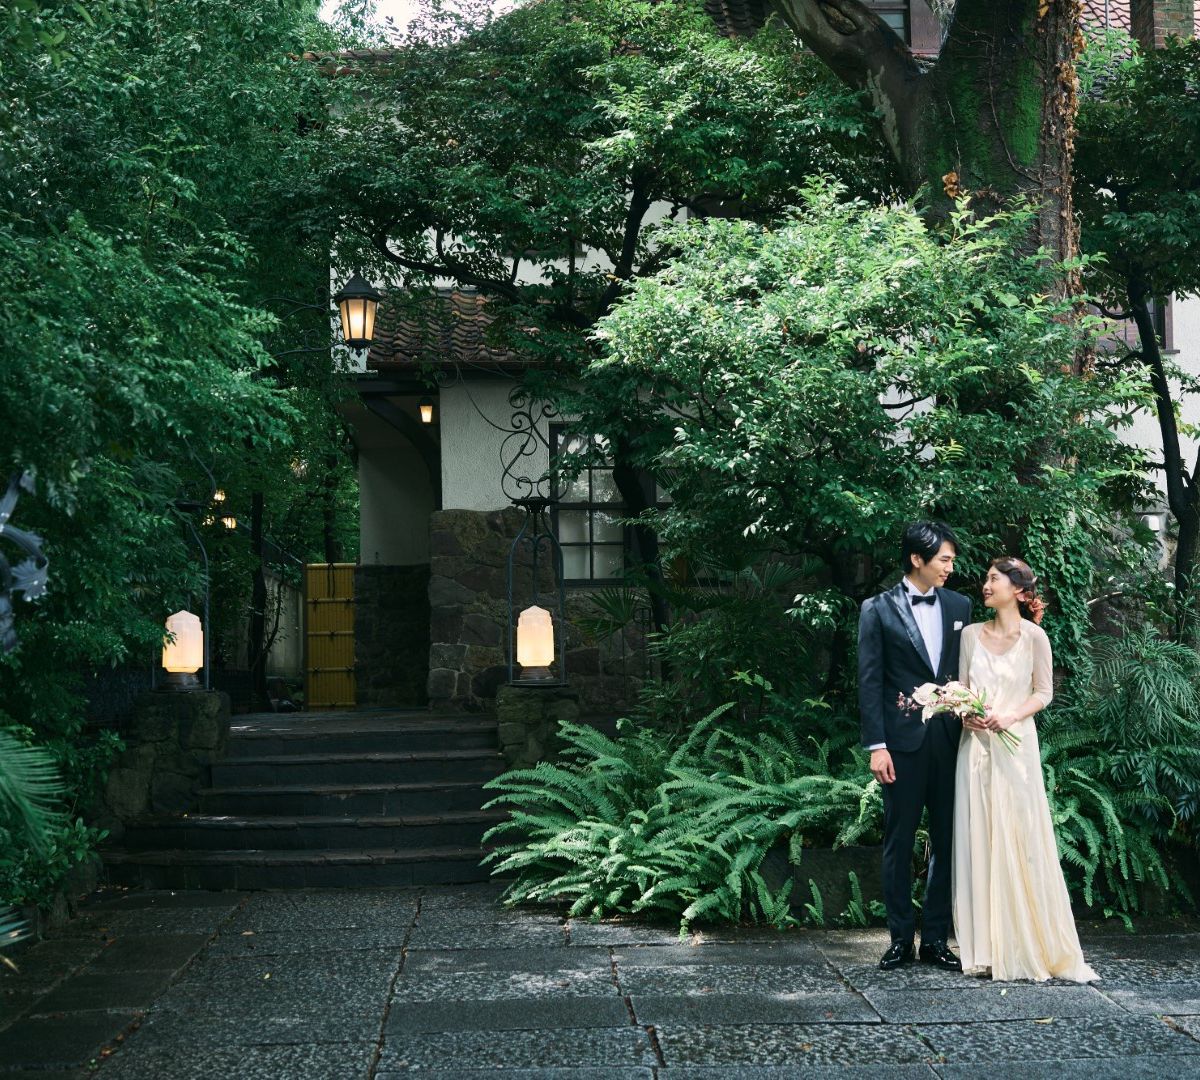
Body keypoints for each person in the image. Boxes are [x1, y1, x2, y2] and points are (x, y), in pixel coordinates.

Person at [952, 557, 1098, 982]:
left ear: (1018, 590)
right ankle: (985, 949)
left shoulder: (1035, 636)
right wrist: (966, 715)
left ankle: (1026, 942)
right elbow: (962, 690)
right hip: (976, 749)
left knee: (1021, 837)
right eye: (986, 579)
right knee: (979, 837)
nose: (985, 585)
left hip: (1017, 751)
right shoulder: (970, 635)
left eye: (993, 579)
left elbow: (1044, 692)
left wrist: (1011, 715)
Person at [858, 522, 972, 972]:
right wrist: (877, 746)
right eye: (944, 559)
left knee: (947, 841)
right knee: (899, 841)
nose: (950, 568)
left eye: (952, 560)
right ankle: (900, 939)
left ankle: (937, 941)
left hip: (950, 742)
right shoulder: (877, 609)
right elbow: (870, 682)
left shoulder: (960, 605)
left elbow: (966, 671)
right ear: (916, 559)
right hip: (901, 747)